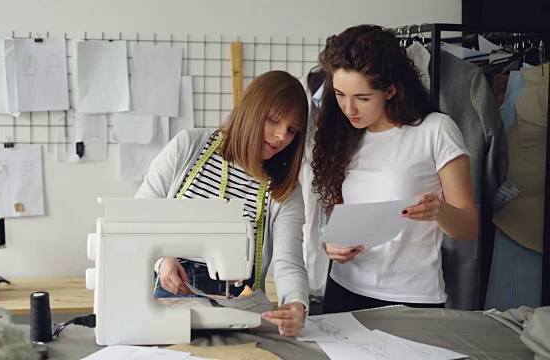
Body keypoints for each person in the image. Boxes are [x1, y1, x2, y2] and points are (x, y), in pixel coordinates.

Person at [311, 25, 479, 313]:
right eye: (339, 94)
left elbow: (469, 227)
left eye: (362, 98)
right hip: (344, 289)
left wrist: (440, 211)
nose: (348, 108)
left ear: (390, 90)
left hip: (411, 297)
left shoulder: (435, 130)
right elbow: (341, 214)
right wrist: (333, 245)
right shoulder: (342, 136)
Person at [135, 70, 310, 336]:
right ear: (252, 110)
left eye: (291, 130)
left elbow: (289, 261)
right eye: (273, 120)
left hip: (241, 307)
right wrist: (161, 260)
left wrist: (296, 304)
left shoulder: (283, 187)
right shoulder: (187, 148)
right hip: (172, 296)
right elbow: (139, 218)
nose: (280, 136)